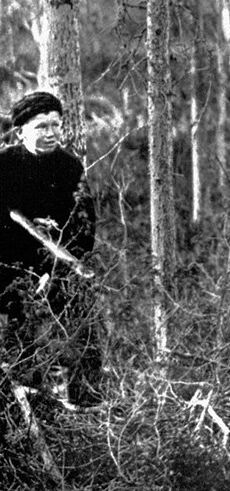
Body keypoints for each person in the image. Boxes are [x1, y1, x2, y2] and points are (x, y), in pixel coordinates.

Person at [0, 90, 102, 406]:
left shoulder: (69, 168)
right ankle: (26, 401)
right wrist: (30, 264)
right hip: (10, 269)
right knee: (22, 319)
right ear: (21, 132)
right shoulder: (4, 166)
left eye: (56, 125)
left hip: (57, 268)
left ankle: (84, 403)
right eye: (42, 127)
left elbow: (84, 231)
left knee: (84, 318)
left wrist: (53, 269)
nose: (51, 133)